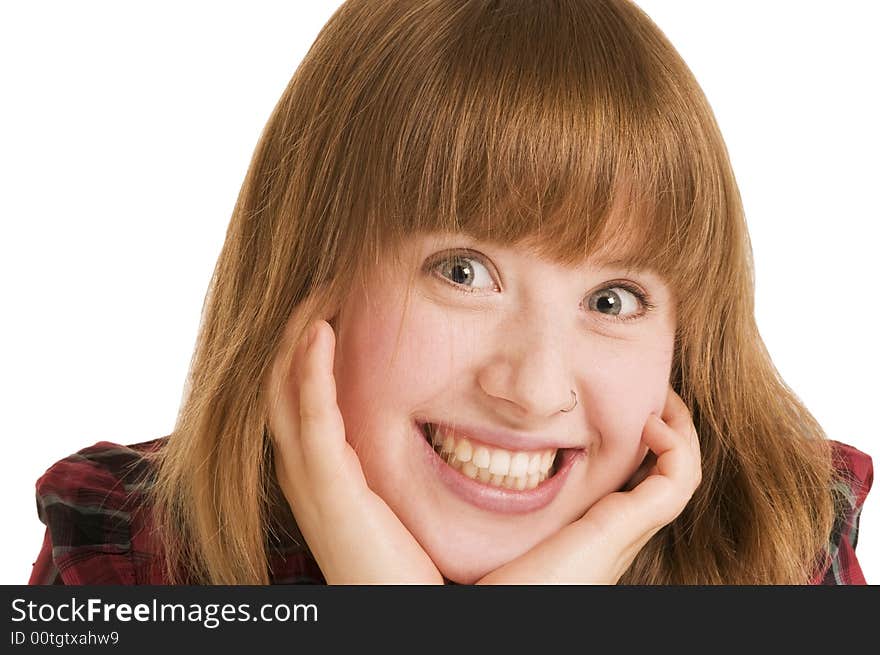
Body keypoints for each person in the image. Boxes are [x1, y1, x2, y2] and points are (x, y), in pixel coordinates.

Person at [29, 0, 872, 585]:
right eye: (462, 271)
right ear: (309, 272)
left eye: (612, 299)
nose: (536, 388)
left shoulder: (775, 546)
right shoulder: (126, 556)